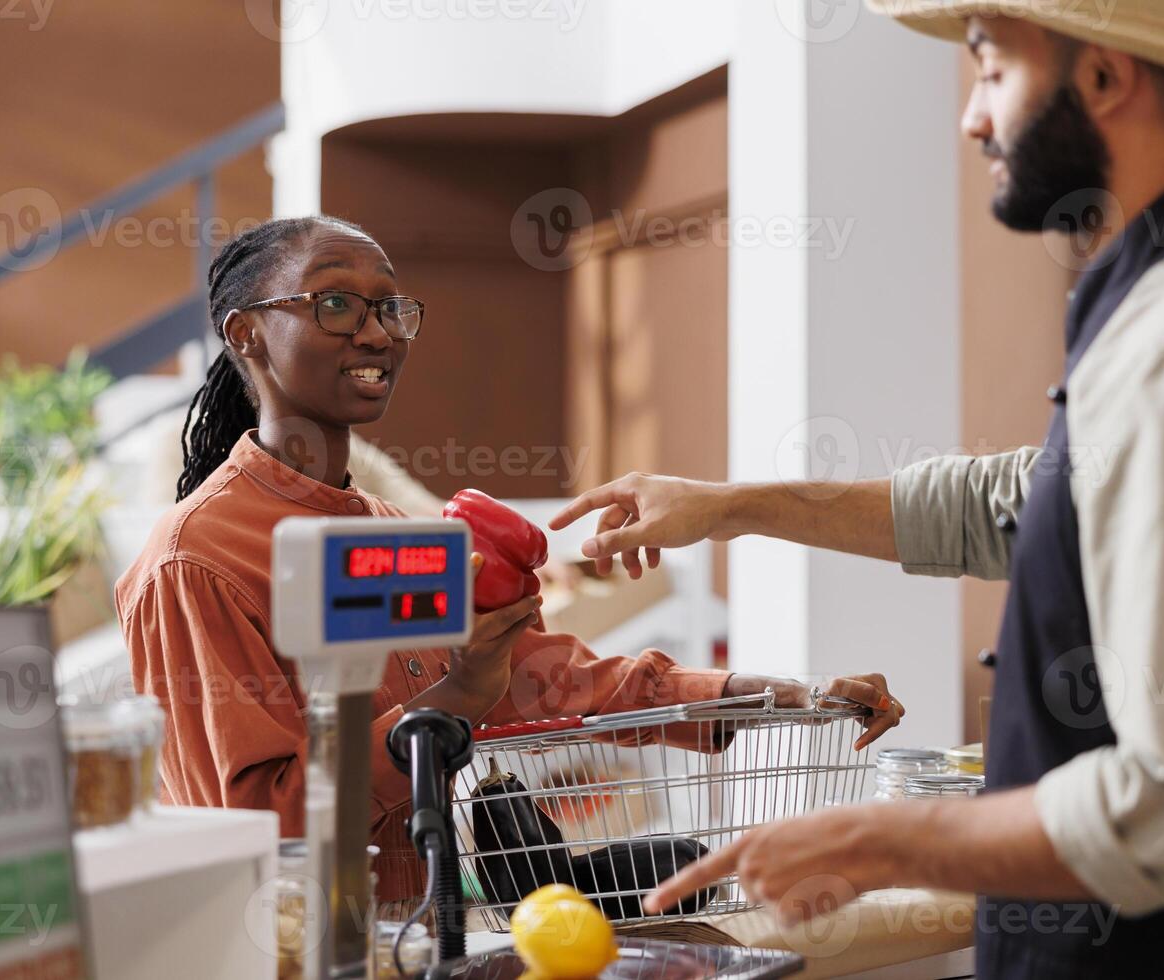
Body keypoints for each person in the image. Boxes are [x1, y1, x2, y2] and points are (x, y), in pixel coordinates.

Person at [552, 2, 1164, 976]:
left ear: (1104, 78)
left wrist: (880, 839)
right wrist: (733, 505)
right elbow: (1026, 502)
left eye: (990, 69)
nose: (971, 118)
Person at [111, 215, 905, 907]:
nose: (378, 332)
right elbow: (260, 826)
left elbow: (557, 680)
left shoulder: (394, 533)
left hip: (419, 940)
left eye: (390, 306)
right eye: (336, 303)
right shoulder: (195, 562)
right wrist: (454, 700)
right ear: (245, 333)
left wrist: (779, 697)